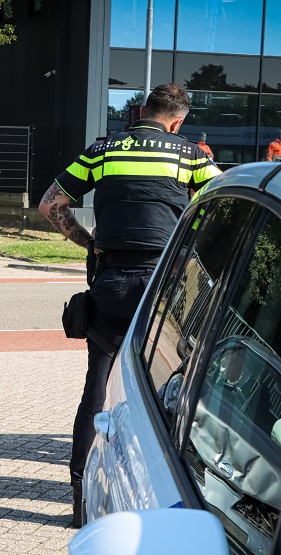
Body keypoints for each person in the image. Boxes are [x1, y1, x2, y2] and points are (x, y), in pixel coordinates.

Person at [38, 82, 221, 527]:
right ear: (177, 120)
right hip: (167, 286)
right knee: (168, 390)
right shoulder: (191, 155)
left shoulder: (103, 150)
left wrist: (90, 241)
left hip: (112, 280)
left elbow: (49, 204)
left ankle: (81, 502)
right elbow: (221, 210)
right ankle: (160, 502)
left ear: (142, 111)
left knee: (95, 388)